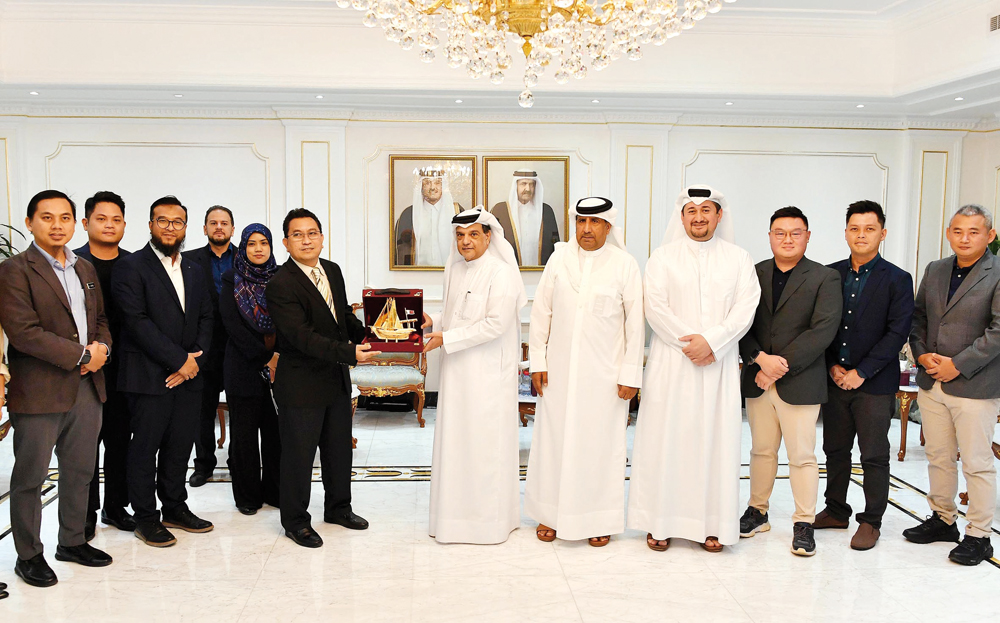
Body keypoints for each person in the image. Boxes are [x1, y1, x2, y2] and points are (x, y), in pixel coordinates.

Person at [628, 186, 761, 553]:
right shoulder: (662, 257)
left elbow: (745, 308)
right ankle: (661, 521)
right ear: (681, 217)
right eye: (691, 210)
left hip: (716, 367)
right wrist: (691, 344)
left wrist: (713, 341)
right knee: (666, 441)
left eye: (706, 210)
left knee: (714, 442)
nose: (699, 217)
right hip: (672, 365)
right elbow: (654, 307)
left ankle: (713, 525)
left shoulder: (739, 258)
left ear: (719, 216)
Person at [0, 190, 113, 587]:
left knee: (80, 470)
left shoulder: (84, 268)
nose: (57, 225)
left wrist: (102, 348)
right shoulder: (14, 270)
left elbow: (99, 320)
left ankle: (72, 541)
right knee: (30, 478)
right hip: (39, 391)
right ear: (30, 222)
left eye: (64, 217)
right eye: (47, 218)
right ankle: (28, 555)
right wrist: (83, 355)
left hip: (87, 388)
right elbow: (25, 333)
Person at [524, 197, 643, 547]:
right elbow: (541, 313)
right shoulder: (559, 259)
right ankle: (549, 513)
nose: (586, 229)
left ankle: (598, 519)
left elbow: (636, 325)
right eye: (580, 222)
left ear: (608, 226)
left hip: (605, 378)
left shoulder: (625, 265)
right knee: (553, 442)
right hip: (557, 374)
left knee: (600, 447)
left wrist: (630, 375)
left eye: (594, 223)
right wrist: (538, 363)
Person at [266, 208, 377, 548]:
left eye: (312, 233)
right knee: (299, 457)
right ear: (286, 242)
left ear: (322, 237)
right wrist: (349, 353)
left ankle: (339, 508)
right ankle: (296, 521)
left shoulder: (332, 270)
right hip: (300, 383)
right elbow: (302, 337)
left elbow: (343, 317)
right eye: (297, 234)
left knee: (338, 451)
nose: (306, 239)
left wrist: (371, 335)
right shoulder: (280, 283)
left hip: (335, 380)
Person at [737, 206, 841, 557]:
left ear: (807, 237)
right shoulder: (752, 273)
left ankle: (804, 522)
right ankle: (757, 511)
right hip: (757, 378)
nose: (787, 239)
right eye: (779, 232)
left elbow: (823, 330)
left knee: (801, 455)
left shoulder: (824, 278)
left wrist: (778, 367)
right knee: (761, 451)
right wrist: (757, 360)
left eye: (795, 233)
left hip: (800, 381)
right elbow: (741, 325)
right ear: (769, 236)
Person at [113, 196, 215, 547]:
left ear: (186, 227)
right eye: (163, 221)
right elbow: (137, 322)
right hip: (147, 376)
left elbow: (206, 318)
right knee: (145, 449)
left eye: (178, 222)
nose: (171, 228)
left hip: (188, 377)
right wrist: (179, 361)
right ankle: (145, 517)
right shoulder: (131, 266)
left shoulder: (194, 268)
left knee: (179, 446)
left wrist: (194, 364)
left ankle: (174, 506)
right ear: (150, 224)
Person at [423, 206, 527, 544]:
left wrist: (446, 338)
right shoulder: (455, 270)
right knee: (457, 444)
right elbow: (456, 313)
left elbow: (496, 324)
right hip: (457, 374)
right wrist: (433, 322)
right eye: (460, 235)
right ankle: (453, 520)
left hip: (486, 376)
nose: (465, 241)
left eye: (472, 234)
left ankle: (488, 523)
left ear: (488, 236)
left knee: (485, 447)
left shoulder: (501, 273)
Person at [904, 204, 1000, 566]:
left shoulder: (998, 272)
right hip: (932, 381)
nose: (965, 238)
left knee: (976, 462)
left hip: (976, 385)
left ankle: (979, 534)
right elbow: (919, 317)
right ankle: (943, 520)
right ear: (949, 233)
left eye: (974, 232)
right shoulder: (936, 269)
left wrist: (957, 365)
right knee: (938, 456)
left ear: (989, 236)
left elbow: (998, 331)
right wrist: (922, 354)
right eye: (958, 231)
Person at [814, 201, 913, 551]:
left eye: (869, 229)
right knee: (835, 449)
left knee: (873, 454)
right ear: (845, 233)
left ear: (882, 234)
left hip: (874, 384)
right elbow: (819, 325)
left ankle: (871, 521)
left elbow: (896, 332)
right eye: (854, 228)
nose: (861, 235)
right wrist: (831, 365)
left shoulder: (899, 280)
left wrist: (862, 372)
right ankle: (836, 510)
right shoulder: (829, 274)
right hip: (834, 378)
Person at [75, 191, 136, 539]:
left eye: (116, 220)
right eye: (102, 219)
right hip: (85, 368)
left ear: (125, 225)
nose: (109, 225)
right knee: (84, 444)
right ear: (86, 223)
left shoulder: (134, 264)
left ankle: (116, 507)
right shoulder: (74, 263)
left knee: (119, 441)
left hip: (125, 368)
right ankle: (84, 512)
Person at [219, 223, 281, 515]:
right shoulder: (231, 278)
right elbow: (232, 327)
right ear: (243, 247)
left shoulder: (281, 278)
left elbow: (288, 321)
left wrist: (277, 355)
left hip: (280, 367)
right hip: (242, 365)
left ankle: (274, 490)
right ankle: (247, 496)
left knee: (275, 433)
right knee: (244, 436)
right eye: (251, 243)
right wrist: (264, 357)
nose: (258, 248)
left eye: (263, 243)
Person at [183, 205, 234, 487]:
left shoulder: (245, 257)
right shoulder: (188, 260)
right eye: (213, 223)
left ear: (232, 229)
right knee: (201, 410)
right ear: (204, 229)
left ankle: (239, 461)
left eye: (224, 223)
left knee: (241, 409)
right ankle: (203, 464)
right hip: (202, 348)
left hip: (237, 348)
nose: (218, 227)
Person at [395, 168, 465, 266]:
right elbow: (400, 251)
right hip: (416, 276)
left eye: (437, 183)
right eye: (427, 183)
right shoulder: (408, 214)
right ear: (421, 187)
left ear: (443, 186)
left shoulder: (457, 212)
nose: (432, 187)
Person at [490, 169, 560, 266]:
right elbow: (492, 245)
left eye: (531, 184)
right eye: (523, 184)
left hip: (540, 273)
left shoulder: (546, 211)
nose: (528, 188)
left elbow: (555, 245)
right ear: (516, 186)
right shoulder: (500, 210)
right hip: (508, 272)